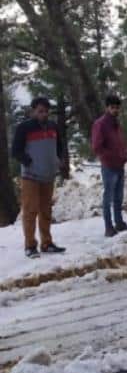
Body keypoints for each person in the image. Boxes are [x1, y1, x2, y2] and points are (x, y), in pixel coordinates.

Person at [11, 97, 66, 258]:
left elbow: (59, 146)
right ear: (33, 111)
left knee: (46, 210)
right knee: (30, 211)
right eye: (40, 111)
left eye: (46, 111)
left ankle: (47, 243)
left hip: (48, 175)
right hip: (31, 176)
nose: (43, 114)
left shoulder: (53, 126)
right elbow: (16, 151)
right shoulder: (24, 128)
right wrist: (29, 161)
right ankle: (30, 245)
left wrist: (58, 160)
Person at [91, 94, 127, 238]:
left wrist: (124, 154)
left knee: (118, 196)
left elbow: (120, 141)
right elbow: (97, 146)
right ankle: (108, 227)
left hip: (119, 164)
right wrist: (110, 157)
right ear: (107, 107)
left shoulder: (116, 123)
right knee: (108, 197)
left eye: (117, 108)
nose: (115, 110)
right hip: (109, 165)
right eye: (112, 107)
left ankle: (119, 222)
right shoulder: (100, 124)